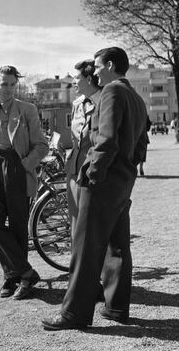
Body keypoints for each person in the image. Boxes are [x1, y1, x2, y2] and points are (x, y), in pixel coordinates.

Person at [42, 47, 148, 330]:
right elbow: (141, 143)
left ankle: (74, 314)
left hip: (102, 183)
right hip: (121, 181)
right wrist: (127, 170)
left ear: (110, 65)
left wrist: (91, 173)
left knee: (85, 248)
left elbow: (107, 138)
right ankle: (116, 308)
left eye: (99, 66)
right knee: (117, 247)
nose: (96, 71)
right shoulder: (136, 97)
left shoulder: (112, 91)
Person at [0, 65, 49, 299]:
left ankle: (13, 278)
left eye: (13, 85)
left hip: (16, 166)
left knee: (17, 225)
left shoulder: (27, 109)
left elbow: (42, 145)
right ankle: (25, 272)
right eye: (4, 84)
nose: (8, 89)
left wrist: (24, 165)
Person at [66, 60, 101, 238]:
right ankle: (78, 263)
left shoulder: (105, 101)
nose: (74, 82)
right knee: (75, 222)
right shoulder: (77, 104)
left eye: (77, 78)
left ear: (89, 79)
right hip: (74, 170)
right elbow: (75, 138)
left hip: (93, 170)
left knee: (93, 222)